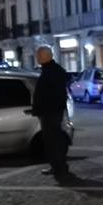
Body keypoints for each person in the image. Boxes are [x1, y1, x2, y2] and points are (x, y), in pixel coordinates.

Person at [31, 45, 70, 177]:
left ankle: (59, 167)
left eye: (38, 55)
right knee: (52, 141)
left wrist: (43, 108)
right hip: (51, 111)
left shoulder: (51, 72)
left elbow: (51, 94)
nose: (37, 57)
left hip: (50, 112)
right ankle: (57, 166)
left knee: (53, 141)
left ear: (44, 56)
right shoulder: (51, 70)